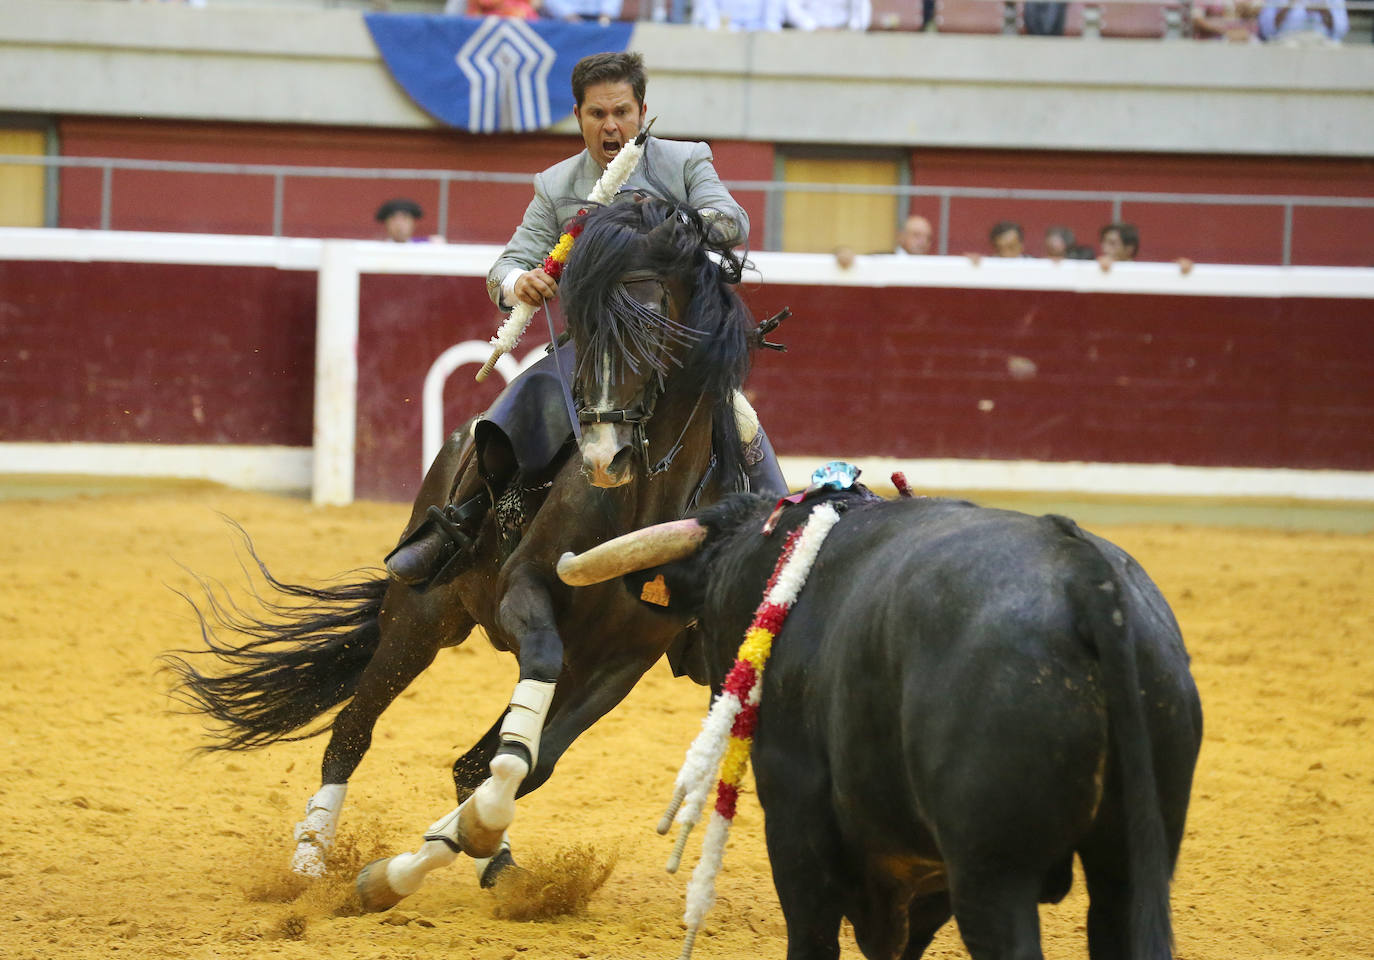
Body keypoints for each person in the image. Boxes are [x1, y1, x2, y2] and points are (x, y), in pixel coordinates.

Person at [388, 52, 785, 588]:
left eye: (622, 111)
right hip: (597, 344)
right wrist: (517, 283)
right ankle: (458, 521)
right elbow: (505, 265)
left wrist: (669, 225)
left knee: (739, 422)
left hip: (675, 343)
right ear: (579, 116)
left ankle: (778, 532)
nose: (611, 125)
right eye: (597, 114)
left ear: (642, 111)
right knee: (523, 399)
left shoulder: (685, 161)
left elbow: (730, 219)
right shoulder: (556, 185)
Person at [1258, 0, 1348, 43]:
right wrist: (1289, 6)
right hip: (1285, 40)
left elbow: (1341, 31)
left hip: (1321, 41)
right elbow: (1267, 31)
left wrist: (1324, 11)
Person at [1191, 0, 1262, 41]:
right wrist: (1227, 33)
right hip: (1215, 41)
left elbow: (1255, 11)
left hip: (1248, 38)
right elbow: (1197, 20)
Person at [541, 0, 623, 24]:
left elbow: (611, 3)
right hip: (566, 21)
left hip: (601, 19)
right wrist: (569, 16)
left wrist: (606, 16)